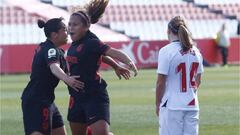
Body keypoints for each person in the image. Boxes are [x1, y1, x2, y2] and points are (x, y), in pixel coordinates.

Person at [66, 0, 138, 135]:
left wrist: (128, 62)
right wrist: (115, 66)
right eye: (69, 24)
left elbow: (113, 52)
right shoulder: (75, 44)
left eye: (75, 25)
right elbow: (100, 57)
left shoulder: (91, 42)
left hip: (94, 96)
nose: (70, 27)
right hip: (76, 98)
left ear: (86, 27)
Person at [21, 18, 84, 135]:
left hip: (47, 100)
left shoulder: (54, 50)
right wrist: (67, 79)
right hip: (37, 101)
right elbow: (54, 67)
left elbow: (65, 72)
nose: (68, 32)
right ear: (55, 35)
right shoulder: (51, 49)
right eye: (64, 30)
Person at [155, 16, 204, 135]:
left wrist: (157, 104)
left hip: (172, 105)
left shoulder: (166, 51)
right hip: (192, 105)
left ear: (168, 31)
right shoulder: (196, 51)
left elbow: (160, 82)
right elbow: (198, 80)